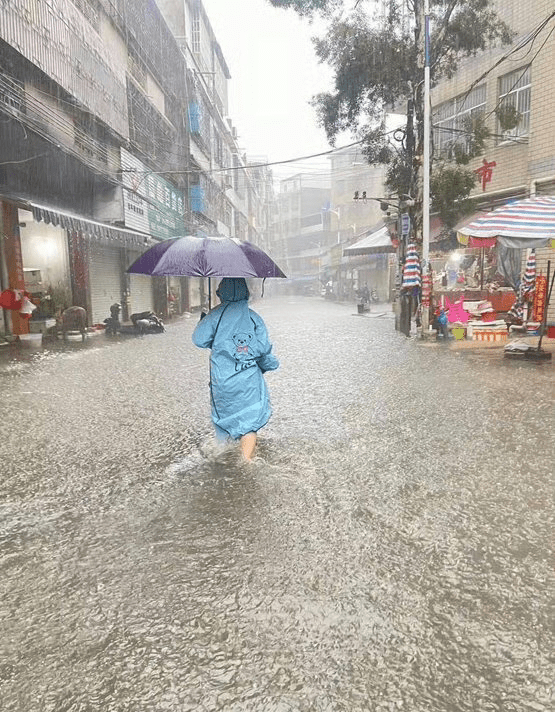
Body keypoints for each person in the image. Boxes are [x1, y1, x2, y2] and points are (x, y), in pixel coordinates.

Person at [192, 278, 279, 461]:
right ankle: (246, 462)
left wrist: (204, 322)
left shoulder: (215, 315)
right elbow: (263, 347)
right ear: (245, 291)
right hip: (249, 380)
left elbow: (199, 340)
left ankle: (222, 454)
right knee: (249, 421)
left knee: (223, 418)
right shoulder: (253, 317)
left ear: (221, 292)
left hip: (222, 380)